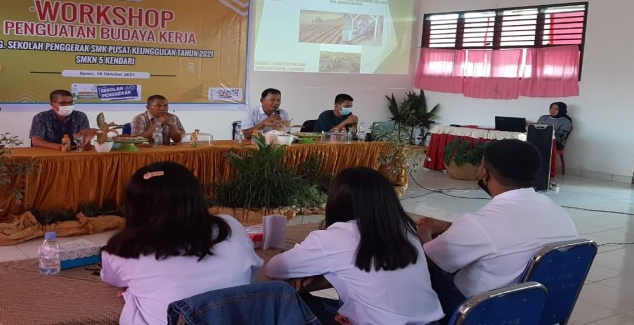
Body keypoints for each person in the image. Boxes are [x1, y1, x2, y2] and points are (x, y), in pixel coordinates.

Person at [416, 139, 578, 320]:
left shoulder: (480, 223)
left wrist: (424, 231)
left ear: (485, 173)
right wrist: (454, 228)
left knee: (421, 270)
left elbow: (431, 259)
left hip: (483, 310)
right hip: (540, 306)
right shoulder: (557, 211)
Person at [267, 167, 444, 325]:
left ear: (338, 202)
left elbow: (275, 268)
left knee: (282, 302)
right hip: (432, 321)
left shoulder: (336, 236)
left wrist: (311, 268)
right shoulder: (404, 227)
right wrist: (319, 268)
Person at [101, 162, 263, 325]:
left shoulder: (123, 250)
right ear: (196, 196)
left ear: (134, 207)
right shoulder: (230, 227)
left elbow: (114, 279)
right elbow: (252, 271)